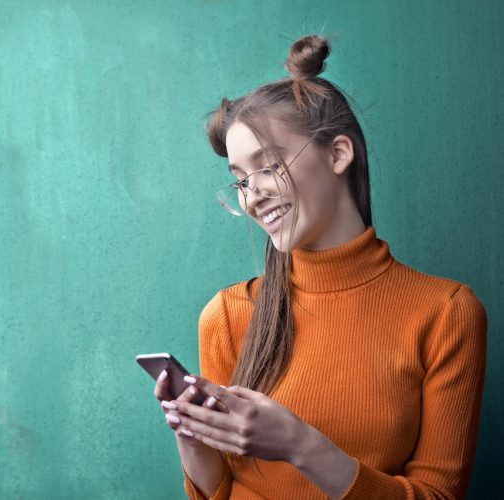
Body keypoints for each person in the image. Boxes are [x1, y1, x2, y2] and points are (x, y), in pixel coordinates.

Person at [153, 34, 488, 499]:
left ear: (338, 154)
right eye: (240, 181)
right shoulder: (227, 315)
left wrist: (300, 445)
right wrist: (193, 440)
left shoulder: (446, 313)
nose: (252, 196)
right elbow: (221, 492)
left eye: (268, 167)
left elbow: (439, 495)